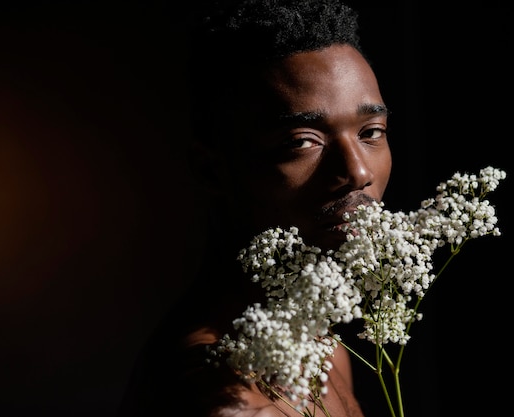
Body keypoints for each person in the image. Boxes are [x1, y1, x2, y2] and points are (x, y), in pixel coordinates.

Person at [118, 0, 392, 415]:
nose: (356, 172)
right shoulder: (224, 399)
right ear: (212, 171)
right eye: (302, 141)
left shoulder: (324, 346)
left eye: (371, 132)